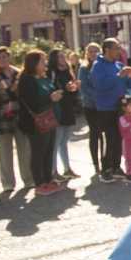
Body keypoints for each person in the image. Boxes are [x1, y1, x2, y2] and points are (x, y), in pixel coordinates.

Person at [0, 47, 32, 192]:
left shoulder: (18, 73)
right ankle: (8, 183)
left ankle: (29, 179)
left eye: (5, 57)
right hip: (3, 117)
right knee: (5, 151)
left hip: (20, 115)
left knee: (24, 148)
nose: (3, 60)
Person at [19, 50, 65, 197]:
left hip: (51, 119)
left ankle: (48, 179)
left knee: (49, 151)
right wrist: (50, 98)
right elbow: (32, 102)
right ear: (33, 63)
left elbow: (52, 92)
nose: (45, 63)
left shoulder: (44, 78)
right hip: (36, 122)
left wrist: (65, 91)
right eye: (42, 61)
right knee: (38, 152)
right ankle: (39, 184)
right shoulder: (26, 80)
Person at [92, 38, 131, 183]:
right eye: (116, 48)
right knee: (110, 138)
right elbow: (100, 85)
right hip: (105, 108)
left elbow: (127, 85)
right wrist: (119, 76)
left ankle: (116, 167)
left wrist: (130, 77)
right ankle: (106, 169)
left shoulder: (118, 65)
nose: (119, 51)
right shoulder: (98, 66)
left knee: (119, 138)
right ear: (107, 50)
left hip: (120, 107)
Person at [48, 49, 80, 181]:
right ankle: (53, 171)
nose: (62, 59)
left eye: (63, 56)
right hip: (57, 110)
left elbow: (73, 93)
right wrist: (65, 88)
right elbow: (51, 90)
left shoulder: (68, 71)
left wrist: (74, 88)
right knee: (56, 141)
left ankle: (67, 169)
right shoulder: (51, 72)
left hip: (67, 108)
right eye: (59, 57)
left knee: (64, 141)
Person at [78, 43, 103, 174]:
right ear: (87, 54)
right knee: (95, 134)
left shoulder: (102, 66)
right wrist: (98, 97)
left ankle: (105, 161)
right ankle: (95, 163)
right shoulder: (83, 69)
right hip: (91, 106)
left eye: (96, 51)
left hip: (104, 106)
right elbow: (84, 88)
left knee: (104, 134)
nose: (93, 54)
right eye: (91, 51)